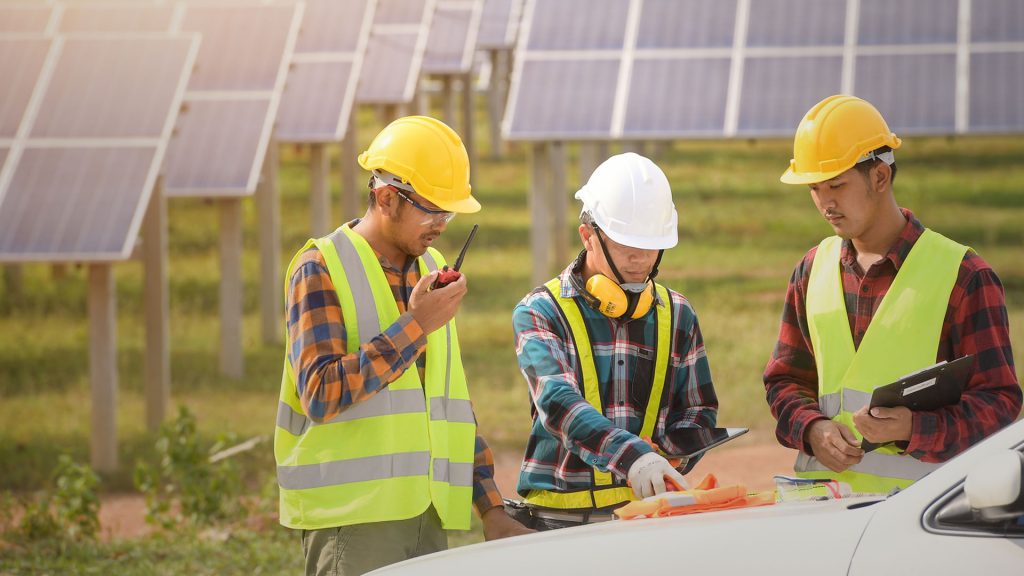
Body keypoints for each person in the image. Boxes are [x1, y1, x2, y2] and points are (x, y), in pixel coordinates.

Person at [274, 116, 531, 576]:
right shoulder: (320, 267)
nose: (441, 225)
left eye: (448, 213)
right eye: (432, 210)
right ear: (387, 198)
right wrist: (415, 325)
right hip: (353, 525)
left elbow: (445, 404)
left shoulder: (430, 267)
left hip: (427, 517)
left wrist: (490, 507)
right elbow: (320, 392)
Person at [764, 95, 1022, 493]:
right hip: (821, 517)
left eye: (837, 184)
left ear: (880, 178)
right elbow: (784, 381)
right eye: (815, 188)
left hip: (919, 521)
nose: (825, 203)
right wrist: (812, 428)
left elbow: (1000, 406)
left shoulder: (965, 277)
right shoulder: (811, 270)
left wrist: (914, 429)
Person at [510, 152, 719, 530]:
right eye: (627, 247)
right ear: (588, 236)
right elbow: (558, 404)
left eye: (652, 246)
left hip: (647, 518)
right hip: (559, 520)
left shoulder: (678, 315)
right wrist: (633, 457)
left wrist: (670, 458)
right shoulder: (540, 311)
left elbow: (698, 411)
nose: (641, 259)